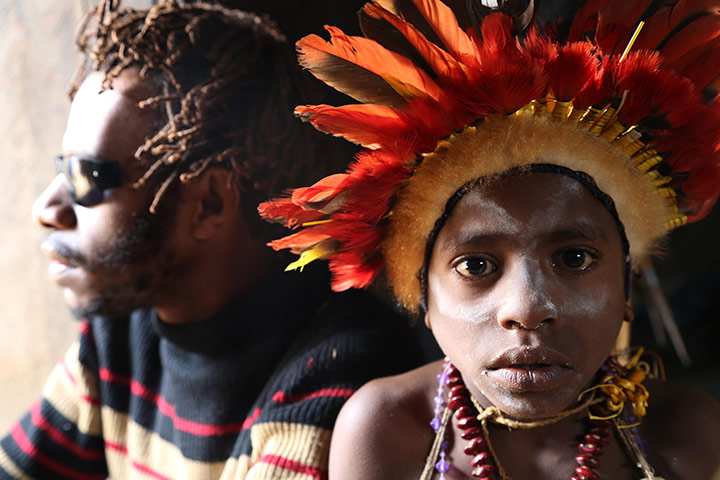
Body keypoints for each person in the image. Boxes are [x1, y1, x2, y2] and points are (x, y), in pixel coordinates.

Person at [259, 0, 720, 478]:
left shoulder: (685, 436)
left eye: (575, 257)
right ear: (423, 293)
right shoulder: (384, 432)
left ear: (625, 284)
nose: (526, 307)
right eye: (476, 265)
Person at [0, 1, 421, 478]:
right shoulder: (119, 332)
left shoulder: (337, 368)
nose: (46, 210)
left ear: (208, 205)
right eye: (63, 168)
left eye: (88, 176)